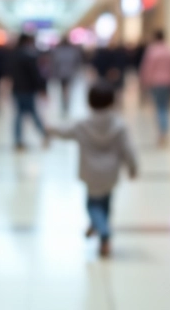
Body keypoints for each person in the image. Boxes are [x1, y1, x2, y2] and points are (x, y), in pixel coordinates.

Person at [47, 81, 138, 258]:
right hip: (110, 173)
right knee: (106, 203)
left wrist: (50, 129)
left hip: (90, 172)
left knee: (92, 205)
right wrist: (133, 168)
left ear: (89, 102)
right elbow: (128, 149)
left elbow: (65, 131)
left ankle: (103, 232)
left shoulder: (83, 124)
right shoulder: (119, 126)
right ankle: (99, 225)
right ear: (112, 102)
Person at [10, 33, 49, 150]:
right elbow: (35, 74)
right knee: (32, 112)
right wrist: (42, 88)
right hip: (27, 89)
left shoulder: (14, 55)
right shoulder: (29, 56)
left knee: (19, 114)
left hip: (17, 88)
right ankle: (45, 134)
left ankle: (18, 139)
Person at [139, 30, 170, 145]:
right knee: (165, 107)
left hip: (155, 83)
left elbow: (147, 68)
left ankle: (162, 132)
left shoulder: (152, 51)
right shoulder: (169, 51)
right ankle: (165, 130)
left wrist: (144, 81)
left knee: (159, 107)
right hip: (167, 83)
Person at [51, 37, 83, 114]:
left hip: (61, 74)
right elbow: (78, 62)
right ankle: (66, 105)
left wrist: (54, 74)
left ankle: (64, 105)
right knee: (67, 90)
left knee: (63, 90)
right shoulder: (73, 51)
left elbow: (54, 64)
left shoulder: (57, 51)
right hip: (70, 73)